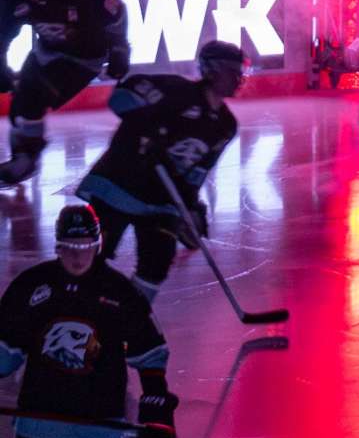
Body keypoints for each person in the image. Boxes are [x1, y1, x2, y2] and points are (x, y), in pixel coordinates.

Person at [0, 203, 177, 438]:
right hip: (40, 417)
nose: (77, 255)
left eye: (85, 245)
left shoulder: (120, 292)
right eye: (69, 246)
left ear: (98, 245)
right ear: (57, 246)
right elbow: (6, 351)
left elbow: (149, 350)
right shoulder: (31, 285)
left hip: (101, 421)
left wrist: (157, 404)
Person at [76, 40, 244, 302]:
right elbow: (121, 95)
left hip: (161, 198)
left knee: (157, 262)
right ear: (211, 70)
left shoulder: (225, 126)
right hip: (119, 184)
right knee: (91, 255)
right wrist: (147, 126)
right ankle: (79, 313)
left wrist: (190, 207)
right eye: (231, 70)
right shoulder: (176, 90)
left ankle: (131, 317)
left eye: (240, 70)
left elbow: (197, 172)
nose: (238, 77)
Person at [0, 0, 130, 185]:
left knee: (34, 98)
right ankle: (23, 157)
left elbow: (117, 11)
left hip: (84, 58)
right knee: (20, 102)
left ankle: (28, 158)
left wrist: (120, 51)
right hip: (47, 51)